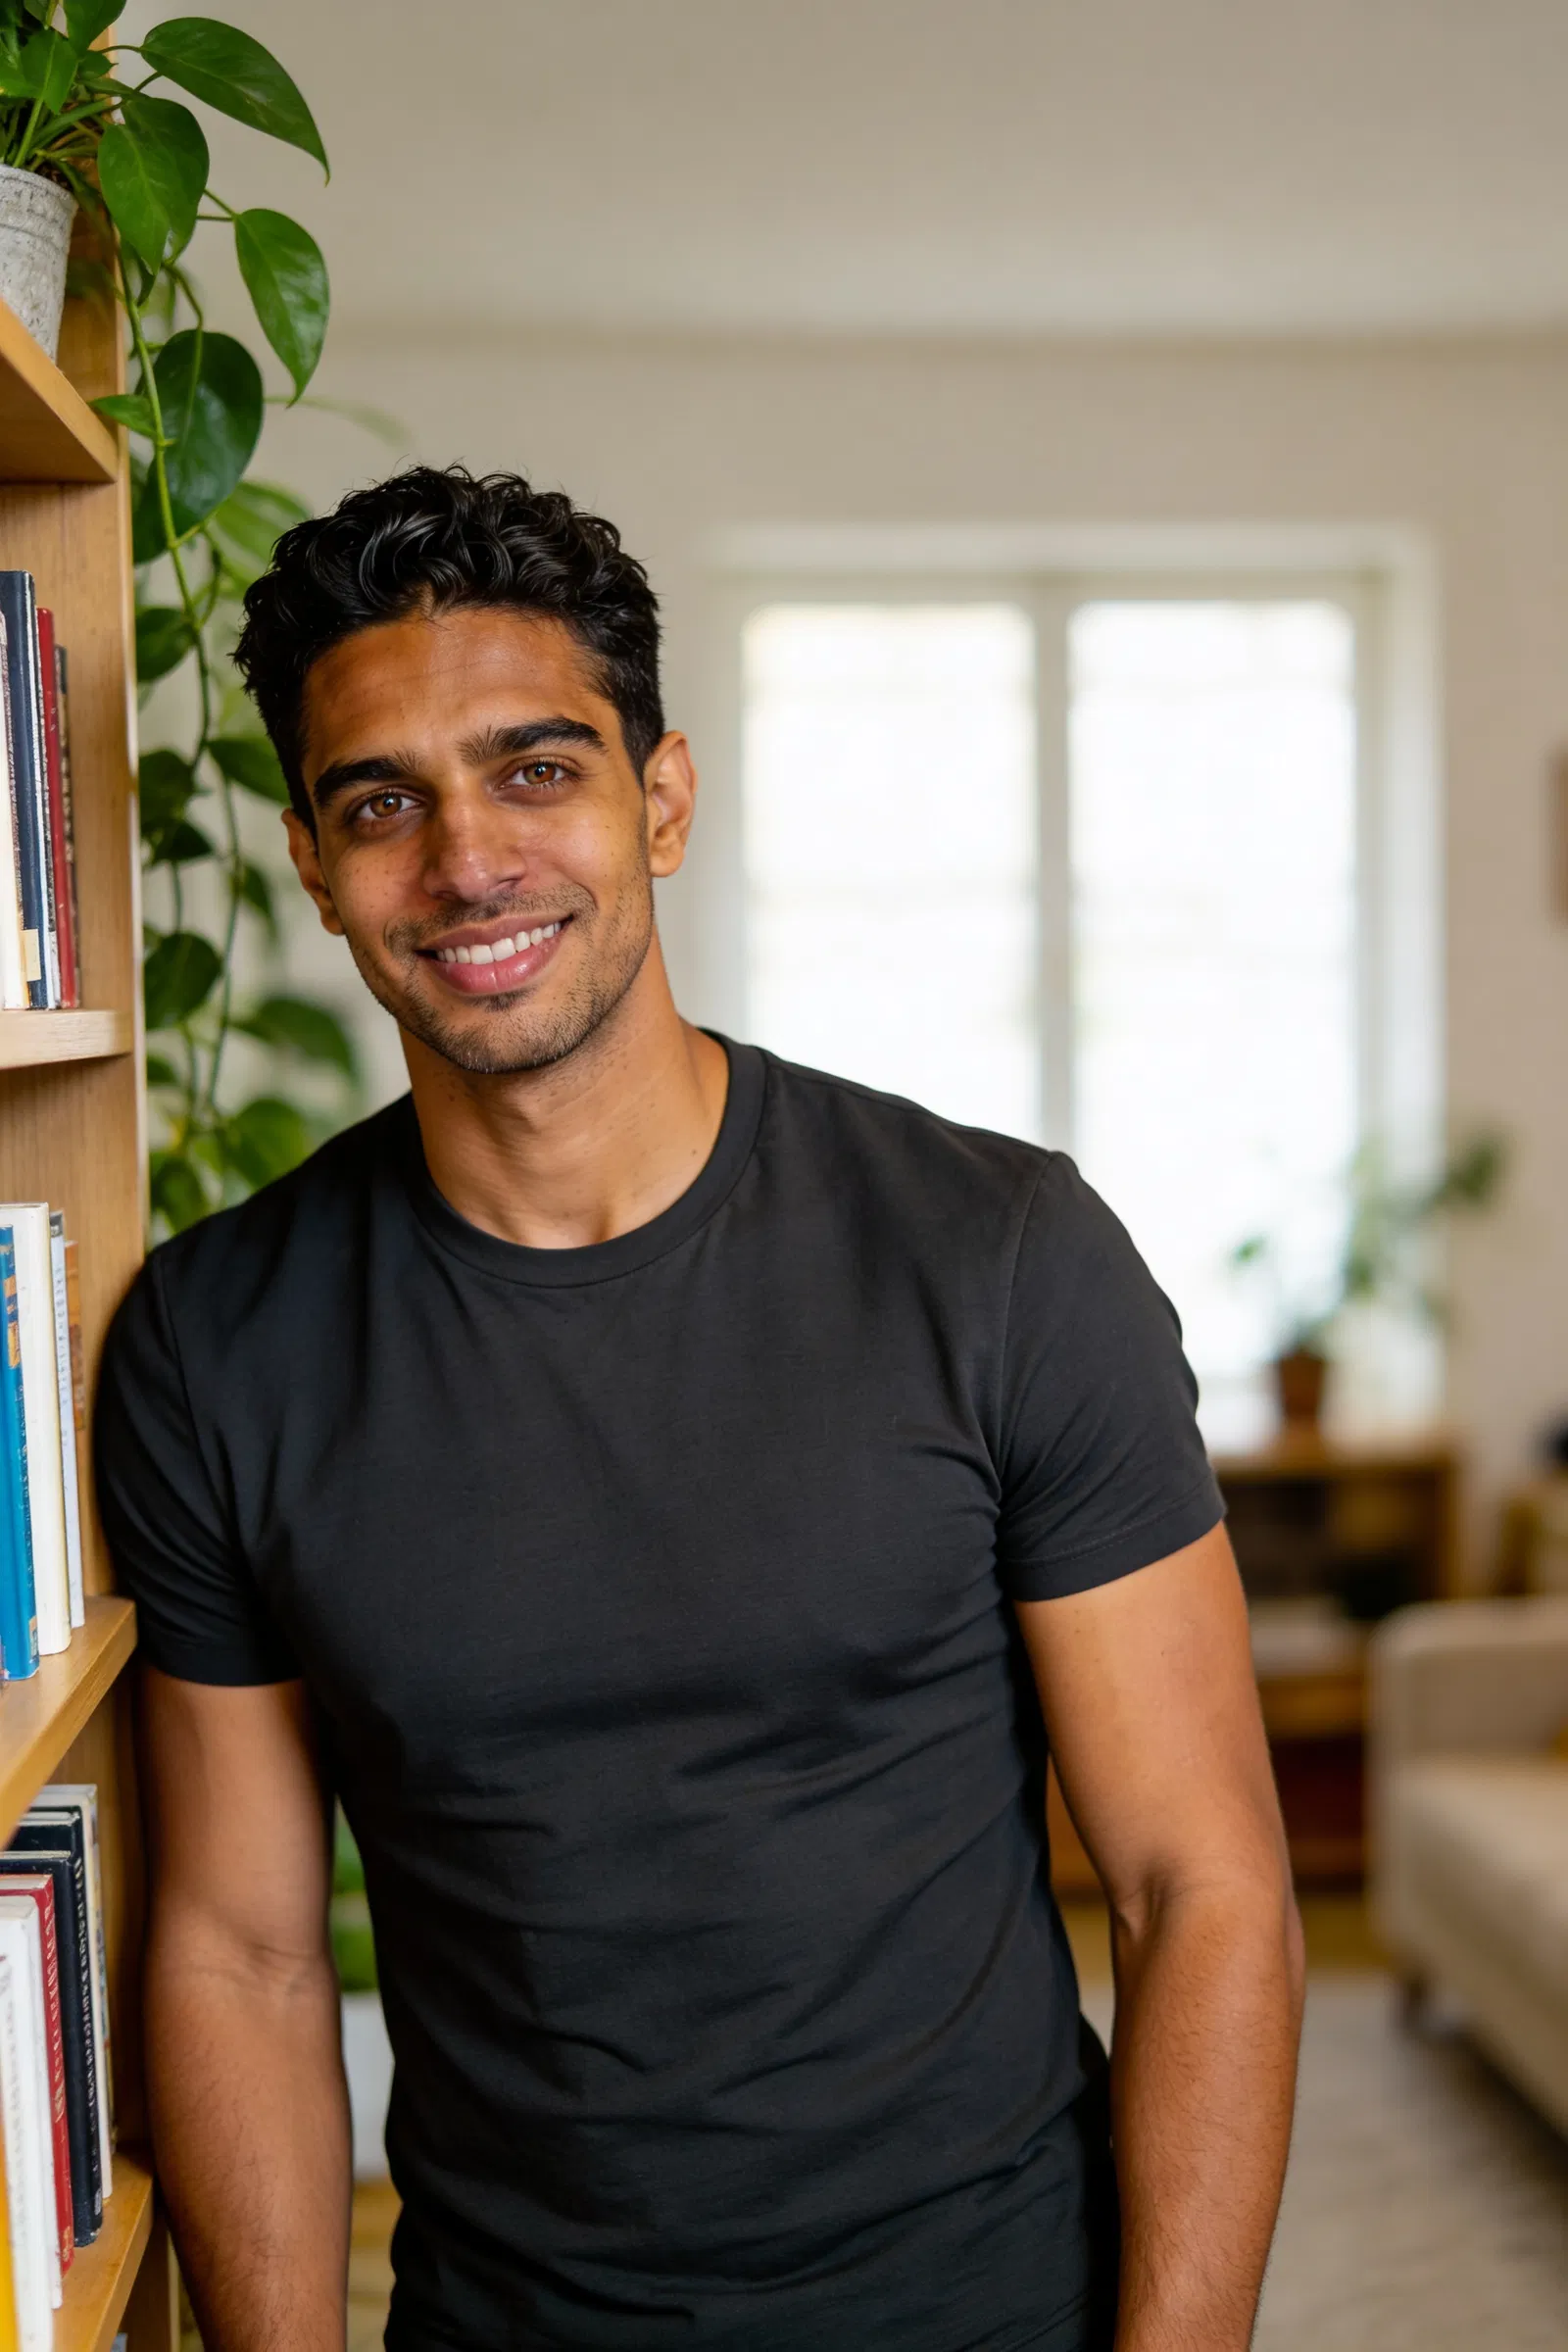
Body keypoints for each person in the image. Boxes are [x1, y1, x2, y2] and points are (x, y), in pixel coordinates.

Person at [96, 466, 1303, 2352]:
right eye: (382, 802)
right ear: (314, 863)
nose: (468, 860)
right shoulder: (214, 1339)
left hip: (995, 2310)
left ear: (659, 801)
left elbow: (1199, 1885)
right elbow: (241, 1955)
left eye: (535, 770)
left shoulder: (999, 1256)